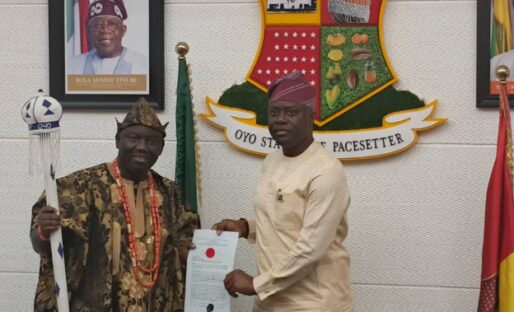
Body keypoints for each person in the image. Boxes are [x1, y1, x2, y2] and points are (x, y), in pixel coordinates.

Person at [30, 97, 199, 311]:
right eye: (134, 138)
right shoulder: (76, 188)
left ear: (162, 147)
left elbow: (187, 243)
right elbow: (44, 247)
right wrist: (44, 231)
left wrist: (188, 252)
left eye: (152, 141)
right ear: (118, 140)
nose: (142, 147)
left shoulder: (172, 194)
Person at [212, 71, 353, 311]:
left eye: (291, 112)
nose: (280, 119)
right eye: (275, 112)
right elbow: (282, 218)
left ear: (311, 116)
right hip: (270, 301)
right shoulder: (272, 161)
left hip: (313, 304)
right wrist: (246, 227)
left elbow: (310, 250)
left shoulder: (326, 171)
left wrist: (256, 284)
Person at [67, 0, 148, 75]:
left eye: (112, 24)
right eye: (98, 25)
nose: (105, 30)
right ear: (89, 31)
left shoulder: (143, 65)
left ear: (123, 30)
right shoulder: (72, 66)